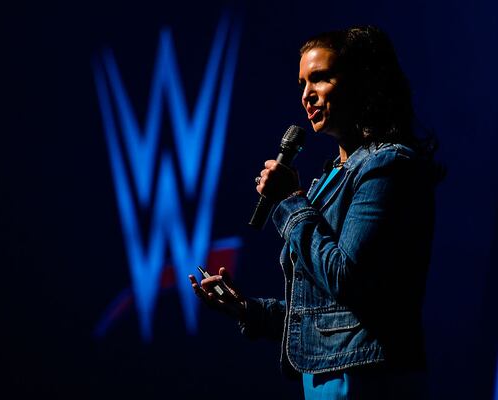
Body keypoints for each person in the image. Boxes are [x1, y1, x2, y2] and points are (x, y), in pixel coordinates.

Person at [188, 25, 440, 399]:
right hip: (327, 377)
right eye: (303, 83)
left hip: (368, 379)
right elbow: (322, 312)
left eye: (320, 79)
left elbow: (345, 278)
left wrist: (290, 199)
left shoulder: (387, 167)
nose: (307, 95)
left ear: (362, 82)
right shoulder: (328, 180)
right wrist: (246, 309)